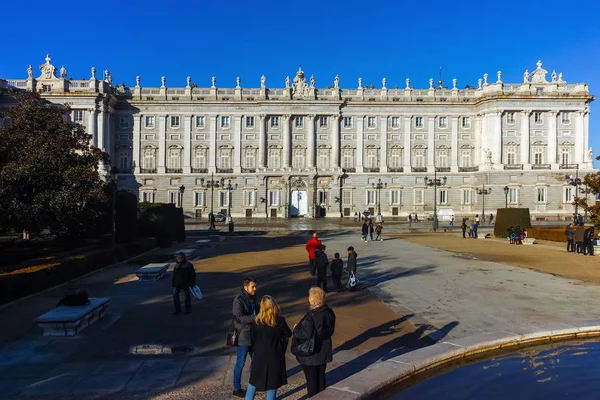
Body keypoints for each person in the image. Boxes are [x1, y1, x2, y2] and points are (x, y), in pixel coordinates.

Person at [245, 296, 292, 400]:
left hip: (259, 356)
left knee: (253, 381)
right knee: (272, 384)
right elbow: (288, 333)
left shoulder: (256, 322)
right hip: (274, 356)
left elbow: (252, 340)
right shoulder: (279, 321)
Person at [293, 287, 336, 398]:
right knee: (321, 378)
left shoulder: (311, 316)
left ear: (312, 300)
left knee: (311, 381)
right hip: (323, 351)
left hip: (311, 354)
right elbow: (331, 330)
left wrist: (296, 329)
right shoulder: (329, 312)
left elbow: (305, 334)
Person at [232, 277, 260, 398]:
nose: (255, 288)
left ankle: (253, 384)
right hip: (243, 336)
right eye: (253, 286)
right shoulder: (239, 300)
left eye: (255, 286)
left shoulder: (254, 298)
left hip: (254, 335)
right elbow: (238, 317)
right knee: (241, 362)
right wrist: (256, 317)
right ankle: (236, 388)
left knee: (255, 362)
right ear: (246, 287)